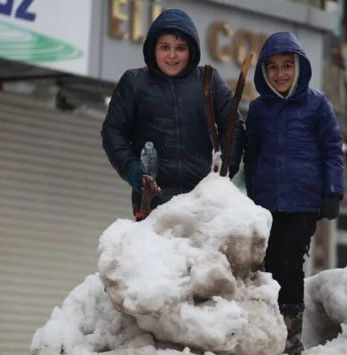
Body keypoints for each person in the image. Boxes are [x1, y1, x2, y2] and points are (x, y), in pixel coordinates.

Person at [243, 32, 345, 355]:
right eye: (273, 67)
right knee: (268, 262)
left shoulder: (317, 105)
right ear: (264, 72)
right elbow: (252, 154)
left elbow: (332, 150)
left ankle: (290, 330)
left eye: (288, 66)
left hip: (303, 201)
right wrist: (253, 192)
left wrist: (332, 191)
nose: (281, 73)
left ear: (299, 67)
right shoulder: (258, 109)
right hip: (267, 201)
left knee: (289, 261)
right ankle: (269, 327)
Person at [101, 9, 244, 219]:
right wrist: (134, 172)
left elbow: (234, 126)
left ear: (191, 50)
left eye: (180, 48)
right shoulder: (134, 83)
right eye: (165, 47)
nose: (172, 55)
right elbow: (113, 132)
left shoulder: (208, 81)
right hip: (153, 201)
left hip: (203, 202)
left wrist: (223, 173)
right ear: (153, 48)